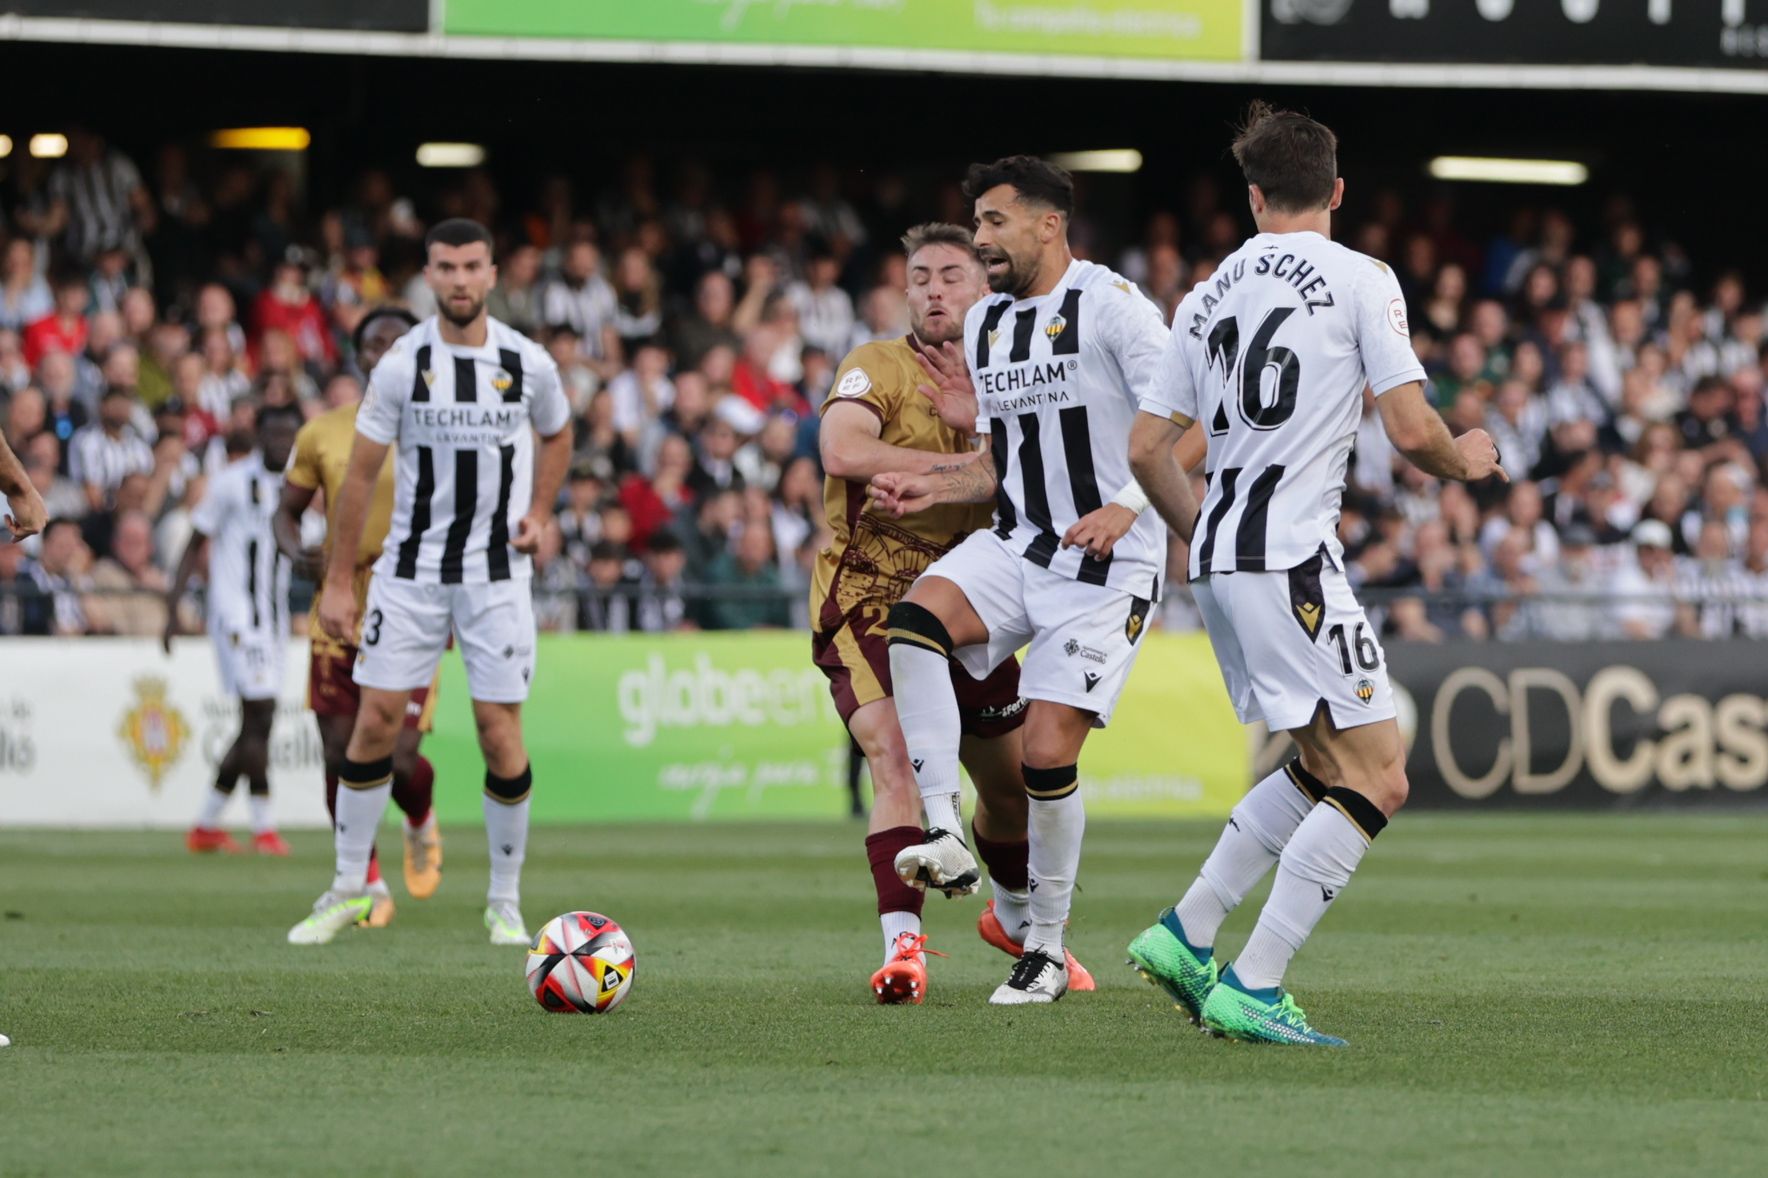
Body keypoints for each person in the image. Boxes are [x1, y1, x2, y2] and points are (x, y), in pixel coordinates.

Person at [1127, 102, 1505, 1045]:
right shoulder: (1359, 277)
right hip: (1290, 557)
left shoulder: (1205, 295)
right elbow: (1414, 431)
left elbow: (1144, 450)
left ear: (1253, 197)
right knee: (1379, 780)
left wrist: (1208, 536)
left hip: (1220, 559)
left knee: (1318, 765)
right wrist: (1472, 458)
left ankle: (1188, 932)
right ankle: (1254, 985)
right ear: (1337, 191)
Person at [868, 158, 1176, 1006]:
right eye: (977, 221)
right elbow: (1002, 461)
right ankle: (942, 828)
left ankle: (1043, 946)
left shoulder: (1113, 308)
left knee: (1044, 755)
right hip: (1021, 544)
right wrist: (933, 484)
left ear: (1049, 225)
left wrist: (1125, 507)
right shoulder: (987, 325)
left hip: (1108, 567)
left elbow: (1190, 425)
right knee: (915, 622)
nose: (980, 238)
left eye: (996, 221)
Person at [816, 221, 1097, 1004]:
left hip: (975, 601)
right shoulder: (875, 365)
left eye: (951, 276)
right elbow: (842, 450)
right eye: (920, 277)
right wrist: (962, 468)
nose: (933, 290)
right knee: (896, 759)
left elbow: (1049, 478)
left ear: (983, 290)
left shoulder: (1016, 370)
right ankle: (905, 949)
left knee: (1009, 791)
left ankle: (1013, 922)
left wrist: (981, 440)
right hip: (869, 597)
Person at [288, 218, 572, 947]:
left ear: (492, 272)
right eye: (444, 267)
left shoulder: (526, 361)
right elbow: (357, 476)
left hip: (495, 573)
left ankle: (504, 902)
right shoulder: (402, 365)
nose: (458, 279)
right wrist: (343, 584)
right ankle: (349, 887)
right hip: (409, 573)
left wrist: (539, 511)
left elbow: (558, 430)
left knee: (497, 729)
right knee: (374, 722)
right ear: (428, 275)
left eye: (471, 266)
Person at [275, 306, 441, 929]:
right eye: (374, 341)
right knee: (339, 752)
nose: (386, 349)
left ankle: (421, 819)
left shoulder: (446, 427)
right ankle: (365, 880)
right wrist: (302, 556)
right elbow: (286, 512)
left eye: (398, 340)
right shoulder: (323, 431)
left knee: (396, 758)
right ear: (358, 354)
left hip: (417, 599)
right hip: (342, 597)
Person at [165, 402, 305, 856]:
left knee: (253, 722)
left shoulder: (297, 486)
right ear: (259, 436)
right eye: (275, 431)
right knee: (261, 713)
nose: (283, 440)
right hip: (238, 617)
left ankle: (206, 824)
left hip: (275, 620)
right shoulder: (229, 483)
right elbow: (194, 544)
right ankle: (264, 826)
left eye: (290, 431)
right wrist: (172, 609)